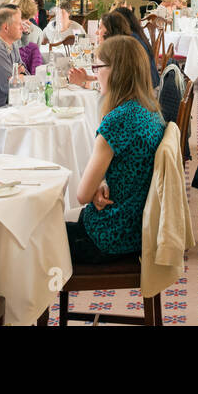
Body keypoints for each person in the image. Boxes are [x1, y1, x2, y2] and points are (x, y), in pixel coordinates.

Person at [67, 36, 166, 264]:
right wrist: (103, 184)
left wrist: (93, 189)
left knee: (33, 242)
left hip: (110, 234)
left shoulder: (117, 121)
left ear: (115, 71)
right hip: (136, 225)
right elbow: (130, 166)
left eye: (98, 67)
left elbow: (81, 195)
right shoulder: (150, 110)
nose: (95, 73)